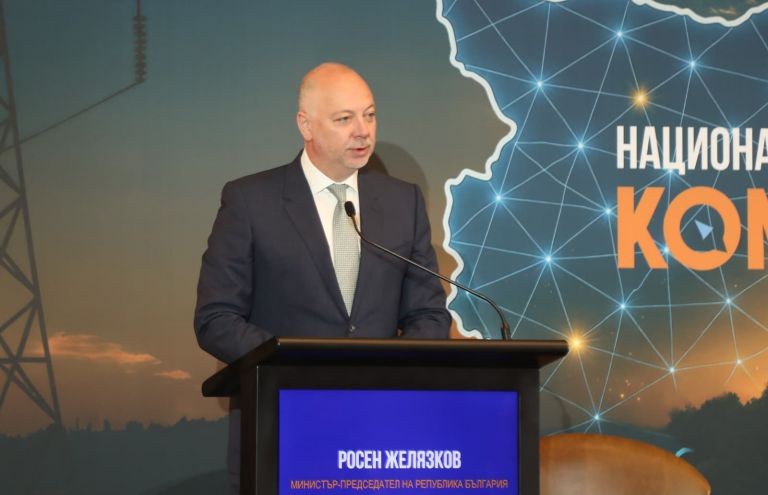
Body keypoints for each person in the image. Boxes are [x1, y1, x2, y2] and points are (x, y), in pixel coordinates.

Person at [194, 62, 450, 492]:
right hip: (281, 430)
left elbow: (429, 314)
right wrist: (300, 368)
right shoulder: (250, 201)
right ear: (306, 125)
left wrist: (388, 377)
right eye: (344, 119)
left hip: (380, 438)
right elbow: (216, 318)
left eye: (370, 115)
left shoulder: (403, 202)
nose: (363, 131)